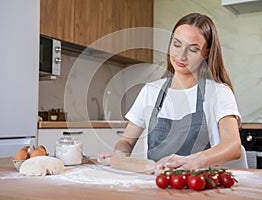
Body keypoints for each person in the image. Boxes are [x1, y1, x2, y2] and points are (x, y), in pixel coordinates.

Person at [100, 13, 242, 170]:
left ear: (206, 53)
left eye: (193, 49)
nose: (181, 56)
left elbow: (233, 146)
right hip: (158, 184)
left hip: (201, 184)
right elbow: (126, 141)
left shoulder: (218, 92)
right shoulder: (151, 91)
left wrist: (194, 161)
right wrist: (119, 155)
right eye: (177, 44)